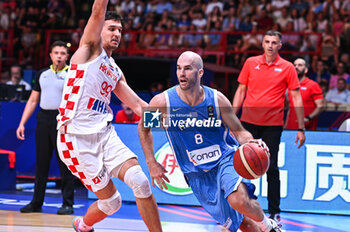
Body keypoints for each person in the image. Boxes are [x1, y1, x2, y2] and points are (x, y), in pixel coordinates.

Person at [139, 51, 282, 232]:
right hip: (196, 173)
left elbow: (239, 132)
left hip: (225, 160)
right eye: (179, 68)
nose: (181, 73)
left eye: (188, 69)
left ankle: (269, 226)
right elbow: (143, 128)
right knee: (243, 224)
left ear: (200, 73)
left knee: (238, 200)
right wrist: (151, 162)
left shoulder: (217, 99)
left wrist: (252, 143)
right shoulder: (163, 102)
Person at [55, 1, 163, 231]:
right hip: (75, 139)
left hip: (104, 134)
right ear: (99, 29)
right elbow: (97, 10)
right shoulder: (89, 49)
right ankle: (83, 225)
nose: (116, 34)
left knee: (141, 182)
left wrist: (173, 125)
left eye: (120, 30)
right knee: (112, 202)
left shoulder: (114, 69)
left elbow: (137, 105)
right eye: (111, 28)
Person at [232, 30, 305, 226]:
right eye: (267, 42)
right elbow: (241, 91)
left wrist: (301, 127)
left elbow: (296, 97)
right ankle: (237, 209)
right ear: (262, 44)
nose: (270, 45)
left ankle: (274, 212)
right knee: (239, 167)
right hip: (247, 123)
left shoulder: (288, 67)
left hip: (272, 125)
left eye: (274, 42)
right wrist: (231, 120)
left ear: (280, 45)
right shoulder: (250, 63)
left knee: (271, 168)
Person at [16, 41, 75, 215]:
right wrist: (22, 123)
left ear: (67, 56)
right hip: (43, 118)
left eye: (62, 53)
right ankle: (36, 203)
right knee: (41, 163)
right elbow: (33, 100)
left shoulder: (72, 74)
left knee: (65, 163)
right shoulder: (42, 74)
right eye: (56, 52)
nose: (59, 56)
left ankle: (67, 204)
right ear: (50, 55)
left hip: (62, 120)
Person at [285, 58, 325, 130]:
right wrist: (286, 126)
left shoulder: (313, 85)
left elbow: (321, 106)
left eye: (300, 65)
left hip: (307, 129)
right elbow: (290, 108)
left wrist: (308, 118)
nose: (296, 67)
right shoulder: (290, 85)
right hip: (290, 128)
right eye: (294, 65)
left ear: (306, 70)